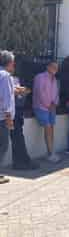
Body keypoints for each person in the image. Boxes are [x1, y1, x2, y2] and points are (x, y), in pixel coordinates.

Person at [32, 61, 60, 163]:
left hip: (52, 108)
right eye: (53, 67)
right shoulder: (40, 77)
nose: (55, 69)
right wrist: (48, 105)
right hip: (41, 107)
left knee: (51, 128)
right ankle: (50, 153)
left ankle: (51, 152)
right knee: (48, 128)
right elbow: (40, 92)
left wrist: (54, 104)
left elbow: (56, 93)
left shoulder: (55, 79)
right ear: (47, 67)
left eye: (57, 68)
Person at [11, 76, 38, 170]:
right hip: (9, 111)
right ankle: (21, 162)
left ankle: (21, 161)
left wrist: (23, 91)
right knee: (16, 137)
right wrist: (18, 91)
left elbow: (25, 91)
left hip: (17, 110)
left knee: (17, 137)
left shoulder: (16, 78)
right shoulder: (4, 77)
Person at [0, 51, 16, 184]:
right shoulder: (5, 76)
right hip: (2, 117)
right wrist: (9, 117)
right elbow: (6, 99)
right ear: (10, 63)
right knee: (3, 145)